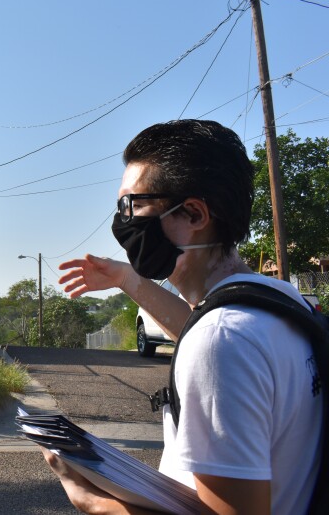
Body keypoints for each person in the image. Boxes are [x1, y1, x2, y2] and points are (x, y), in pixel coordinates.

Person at [44, 120, 321, 514]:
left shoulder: (223, 341)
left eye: (133, 204)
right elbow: (199, 328)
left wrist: (97, 503)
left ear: (193, 213)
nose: (123, 220)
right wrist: (126, 278)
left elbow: (212, 342)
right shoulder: (279, 304)